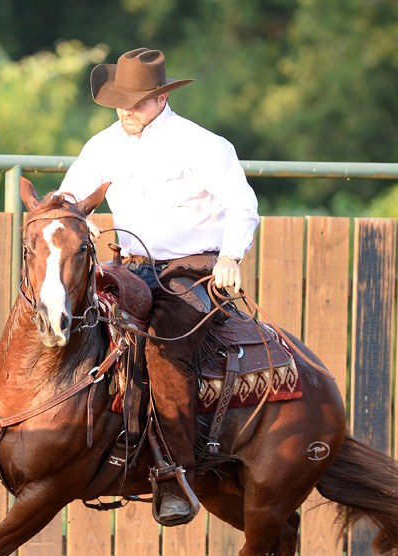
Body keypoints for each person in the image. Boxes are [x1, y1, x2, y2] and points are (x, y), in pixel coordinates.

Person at [56, 48, 260, 526]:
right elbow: (71, 197)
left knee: (162, 352)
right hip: (127, 267)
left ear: (162, 97)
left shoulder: (202, 145)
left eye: (139, 101)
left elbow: (241, 202)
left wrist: (230, 256)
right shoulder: (102, 145)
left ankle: (175, 476)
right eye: (121, 101)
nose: (128, 110)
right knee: (71, 326)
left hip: (190, 272)